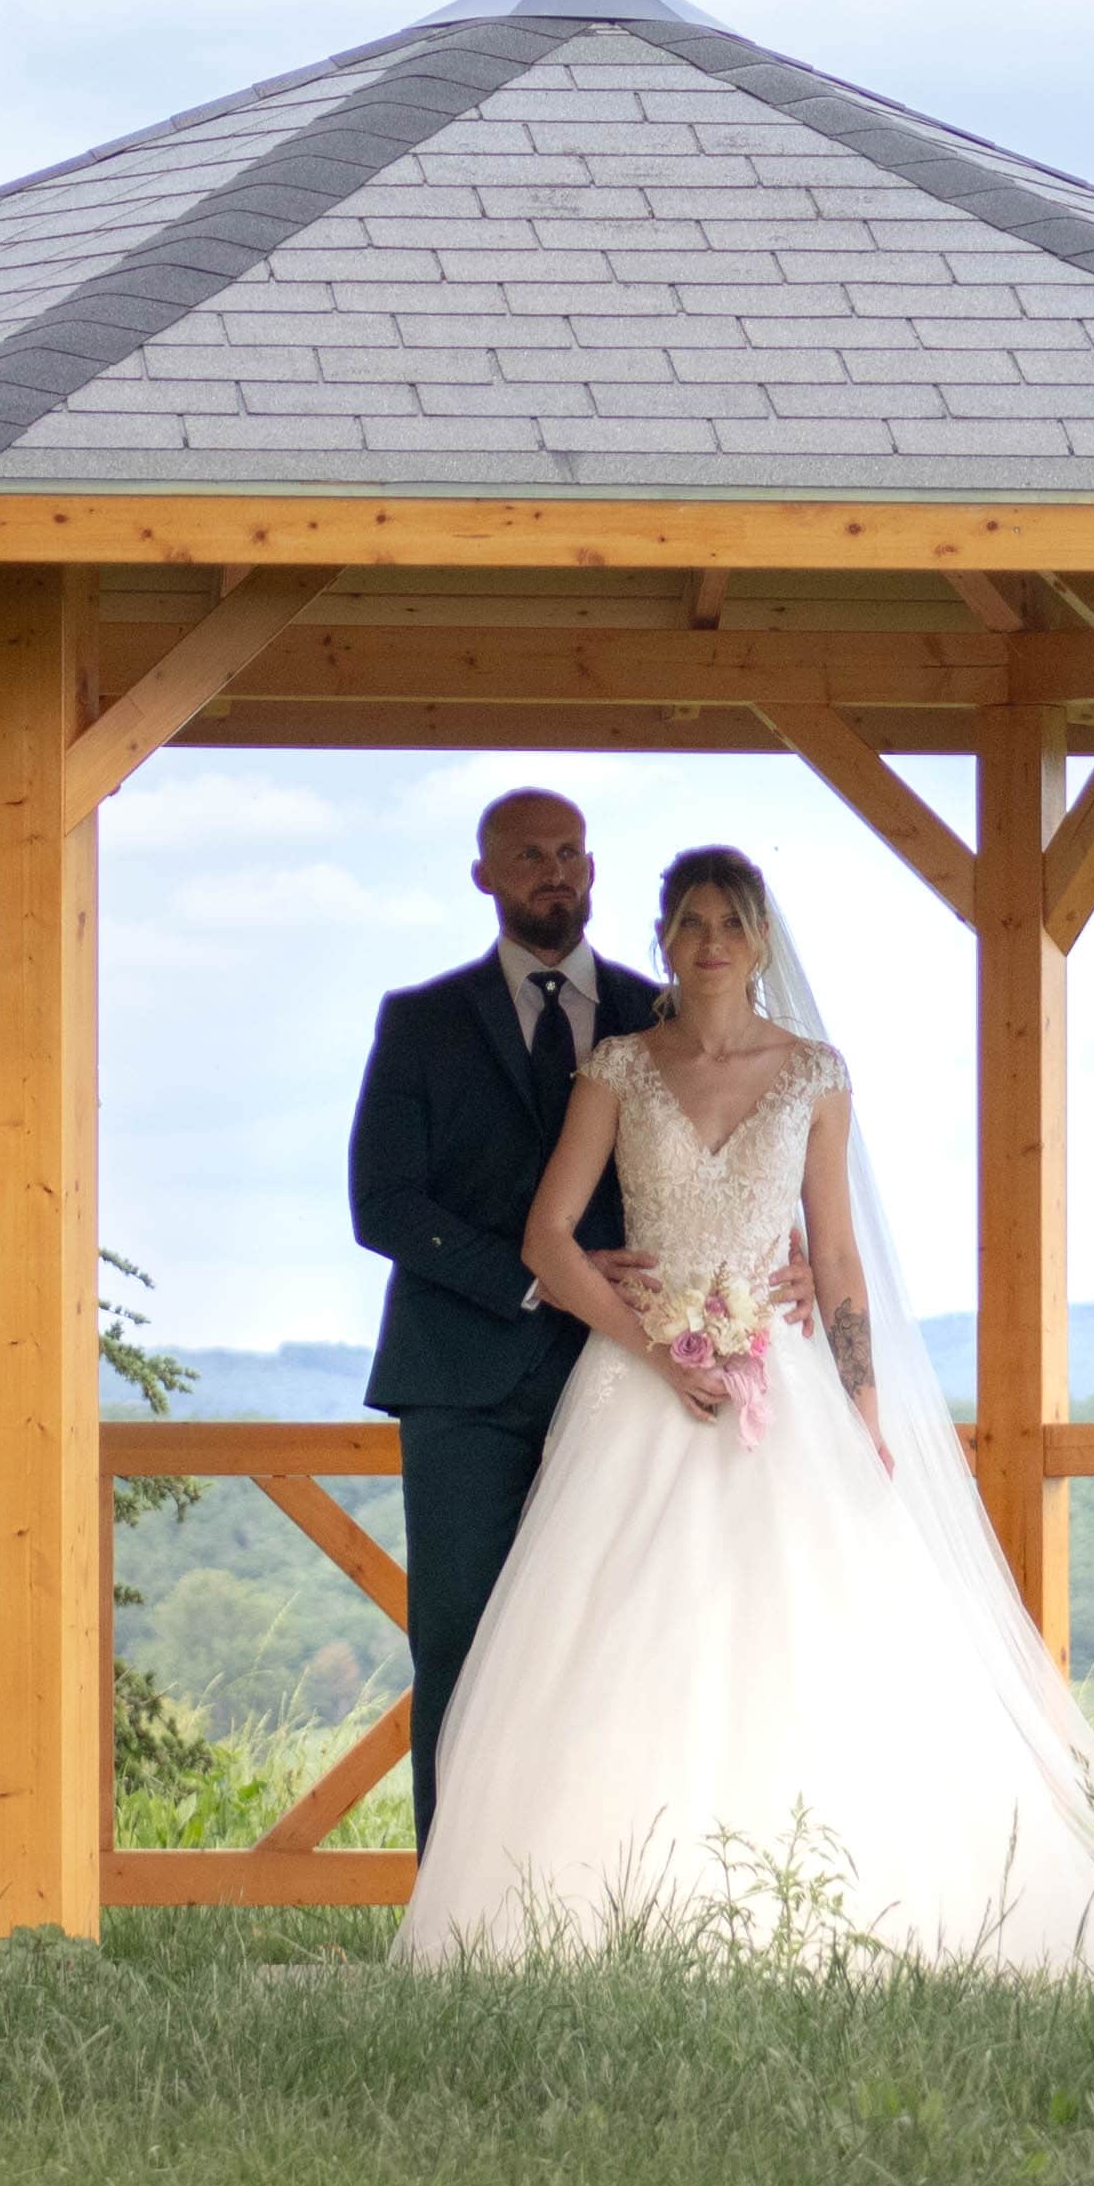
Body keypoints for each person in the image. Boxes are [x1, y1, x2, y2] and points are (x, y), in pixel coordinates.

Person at [395, 844, 1094, 1973]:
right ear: (662, 936)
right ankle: (593, 1911)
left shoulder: (815, 1073)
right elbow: (546, 1240)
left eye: (730, 920)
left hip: (782, 1395)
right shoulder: (617, 1066)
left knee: (808, 1646)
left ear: (760, 940)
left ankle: (815, 1902)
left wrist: (861, 1404)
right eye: (689, 920)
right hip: (634, 1392)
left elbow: (838, 1256)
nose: (709, 940)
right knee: (621, 1647)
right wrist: (657, 1349)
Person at [348, 789, 669, 1843]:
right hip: (457, 1381)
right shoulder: (419, 1019)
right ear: (483, 875)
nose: (554, 870)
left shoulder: (656, 1017)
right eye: (528, 853)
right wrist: (534, 1277)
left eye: (571, 851)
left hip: (620, 1375)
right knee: (459, 1641)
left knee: (615, 1640)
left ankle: (599, 1883)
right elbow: (381, 1202)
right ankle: (454, 1898)